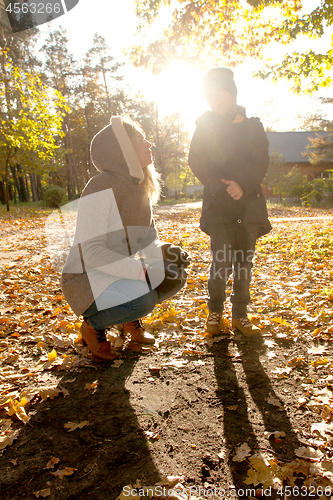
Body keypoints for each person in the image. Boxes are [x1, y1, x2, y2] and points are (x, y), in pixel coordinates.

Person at [61, 116, 187, 360]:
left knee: (177, 276)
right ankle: (93, 325)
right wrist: (142, 271)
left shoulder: (140, 189)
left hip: (117, 274)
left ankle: (128, 319)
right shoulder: (100, 186)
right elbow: (92, 253)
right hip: (87, 280)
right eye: (140, 139)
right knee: (143, 298)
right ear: (122, 149)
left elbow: (150, 241)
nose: (149, 143)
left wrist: (166, 253)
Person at [188, 68, 272, 338]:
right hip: (219, 207)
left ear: (231, 92)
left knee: (244, 264)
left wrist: (242, 184)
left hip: (248, 208)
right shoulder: (204, 125)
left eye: (219, 92)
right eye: (208, 95)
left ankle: (240, 316)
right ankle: (215, 312)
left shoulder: (253, 126)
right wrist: (217, 185)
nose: (214, 99)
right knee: (221, 263)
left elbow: (260, 160)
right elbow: (197, 160)